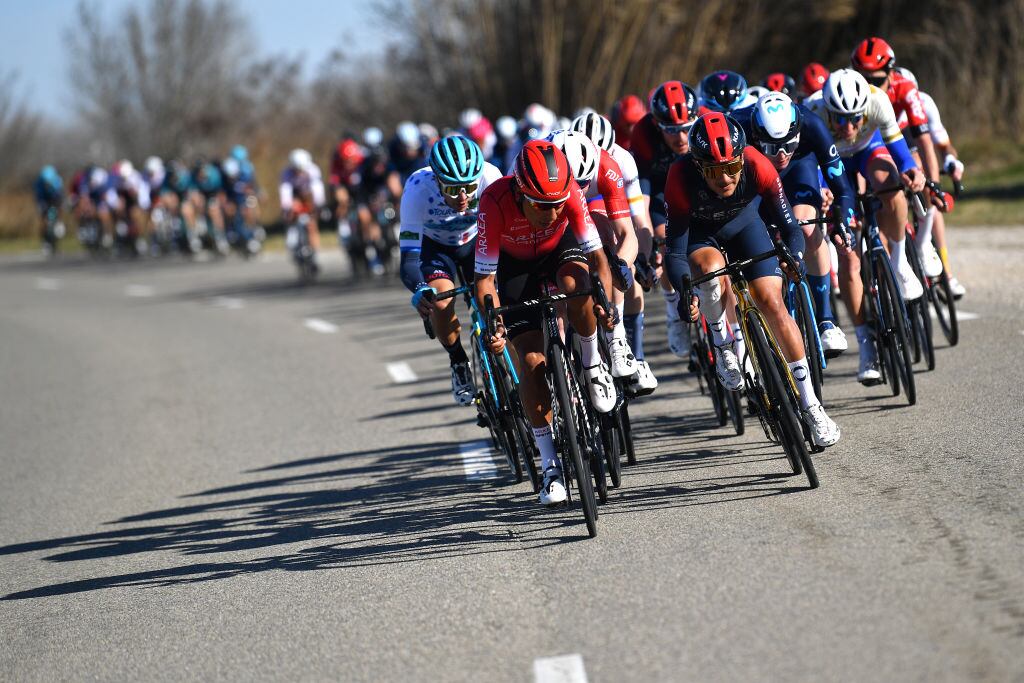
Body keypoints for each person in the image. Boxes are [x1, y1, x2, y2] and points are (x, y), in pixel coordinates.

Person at [663, 113, 840, 447]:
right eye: (714, 171)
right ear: (699, 167)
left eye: (732, 167)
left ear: (742, 158)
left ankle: (811, 404)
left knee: (772, 302)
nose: (725, 178)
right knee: (710, 273)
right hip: (702, 236)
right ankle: (722, 343)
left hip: (745, 225)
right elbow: (675, 251)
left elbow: (790, 227)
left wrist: (794, 257)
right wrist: (686, 290)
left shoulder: (758, 163)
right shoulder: (680, 176)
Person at [475, 140, 616, 505]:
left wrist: (605, 304)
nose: (551, 213)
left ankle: (592, 364)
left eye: (557, 204)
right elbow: (485, 281)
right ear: (519, 192)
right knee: (531, 362)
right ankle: (551, 466)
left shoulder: (568, 195)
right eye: (540, 205)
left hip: (560, 250)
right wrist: (495, 325)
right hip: (514, 267)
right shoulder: (493, 201)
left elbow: (598, 259)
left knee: (577, 285)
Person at [805, 68, 928, 383]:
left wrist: (912, 171)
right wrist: (821, 191)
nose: (847, 127)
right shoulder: (812, 111)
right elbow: (808, 167)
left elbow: (899, 150)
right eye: (839, 119)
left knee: (891, 188)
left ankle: (899, 261)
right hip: (828, 163)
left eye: (855, 119)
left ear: (864, 111)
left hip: (867, 151)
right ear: (828, 111)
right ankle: (865, 344)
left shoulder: (878, 101)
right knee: (847, 256)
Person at [735, 92, 856, 356]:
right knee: (753, 234)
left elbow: (843, 189)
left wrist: (843, 224)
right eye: (772, 147)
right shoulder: (738, 127)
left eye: (789, 145)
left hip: (800, 168)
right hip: (755, 172)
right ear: (755, 135)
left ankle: (825, 320)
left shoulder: (812, 125)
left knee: (807, 227)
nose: (781, 155)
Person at [399, 135, 502, 405]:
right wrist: (421, 288)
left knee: (491, 297)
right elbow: (408, 258)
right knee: (442, 300)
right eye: (453, 189)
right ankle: (458, 360)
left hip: (477, 240)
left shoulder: (491, 177)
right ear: (436, 180)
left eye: (469, 187)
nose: (463, 197)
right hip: (436, 248)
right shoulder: (417, 189)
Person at [571, 112, 659, 392]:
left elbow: (638, 222)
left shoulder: (621, 161)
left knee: (622, 263)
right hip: (571, 200)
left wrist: (642, 260)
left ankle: (629, 348)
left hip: (604, 200)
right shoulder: (564, 155)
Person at [630, 80, 699, 358]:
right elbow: (642, 202)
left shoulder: (706, 122)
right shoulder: (643, 134)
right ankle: (673, 309)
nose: (681, 138)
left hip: (699, 183)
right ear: (657, 125)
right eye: (671, 130)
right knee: (666, 240)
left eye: (686, 128)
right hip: (661, 190)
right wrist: (649, 244)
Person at [894, 66, 967, 298]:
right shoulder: (884, 104)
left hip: (913, 146)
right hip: (890, 146)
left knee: (932, 198)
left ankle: (946, 272)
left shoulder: (924, 103)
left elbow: (943, 145)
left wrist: (951, 161)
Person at [280, 148, 326, 268]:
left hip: (308, 197)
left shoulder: (313, 170)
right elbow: (285, 190)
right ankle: (293, 242)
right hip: (295, 197)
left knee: (311, 225)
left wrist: (319, 204)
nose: (299, 172)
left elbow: (317, 188)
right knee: (291, 214)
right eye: (297, 170)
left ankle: (315, 253)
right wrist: (287, 206)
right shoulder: (287, 173)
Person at [33, 165, 64, 252]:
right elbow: (39, 197)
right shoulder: (39, 183)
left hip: (54, 199)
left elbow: (60, 195)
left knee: (58, 210)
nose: (48, 184)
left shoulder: (57, 180)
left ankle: (59, 224)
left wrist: (60, 205)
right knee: (44, 218)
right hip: (43, 200)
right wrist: (41, 206)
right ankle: (45, 241)